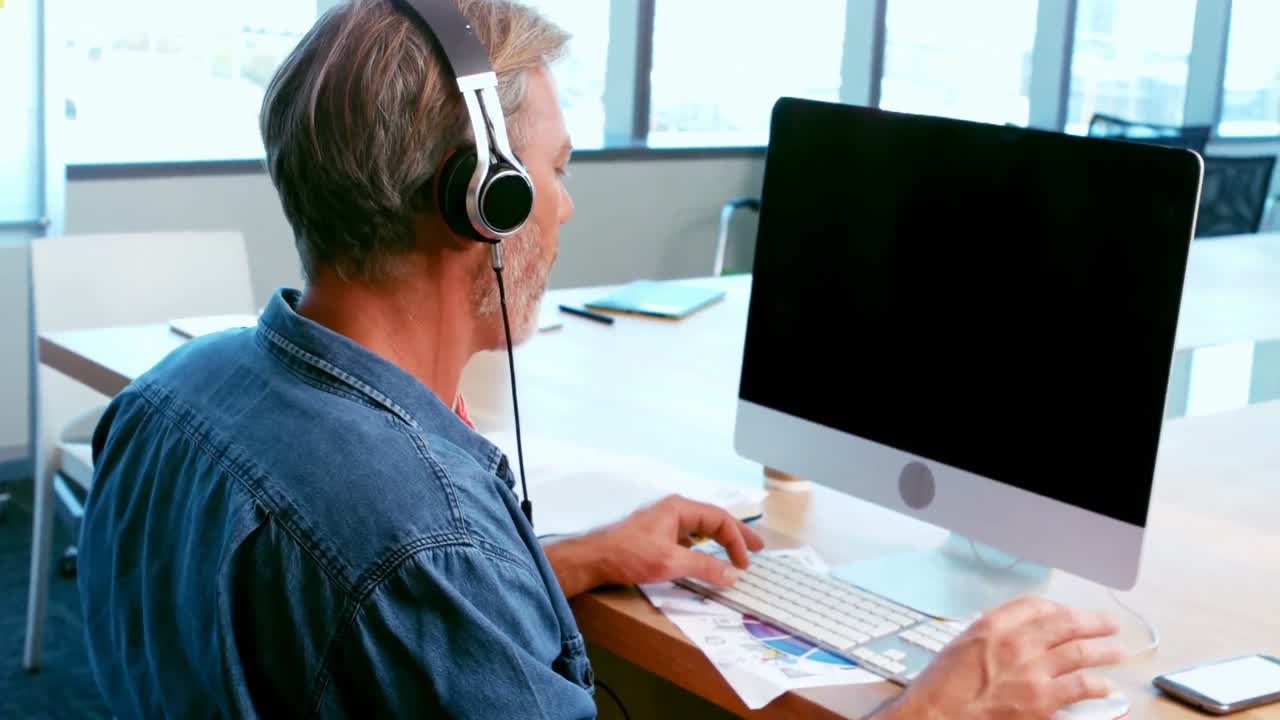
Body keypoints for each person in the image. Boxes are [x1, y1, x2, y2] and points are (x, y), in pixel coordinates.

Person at [78, 1, 1126, 718]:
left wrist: (567, 560)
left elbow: (339, 623)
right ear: (477, 202)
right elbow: (398, 570)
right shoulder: (424, 546)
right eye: (551, 172)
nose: (564, 205)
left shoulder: (171, 398)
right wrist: (936, 703)